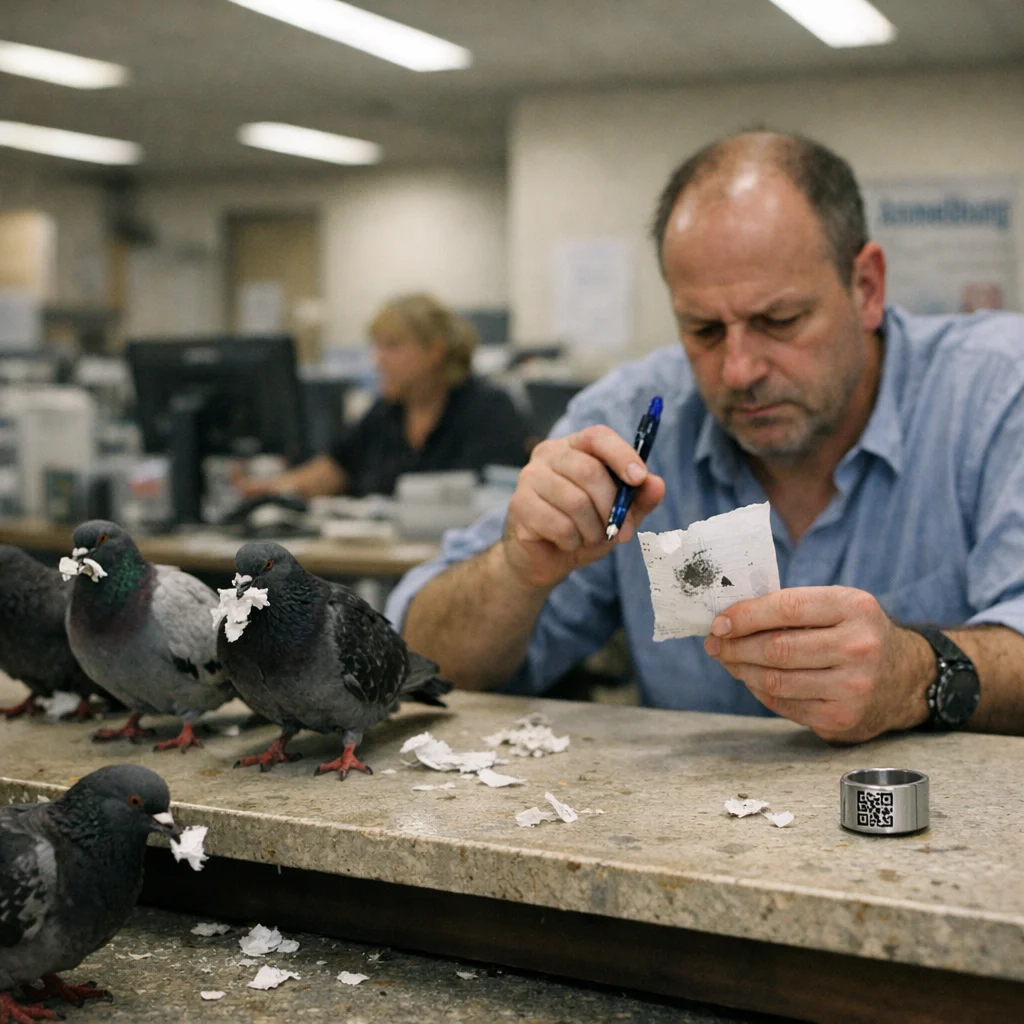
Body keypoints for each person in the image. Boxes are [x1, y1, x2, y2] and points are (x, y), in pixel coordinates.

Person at [385, 131, 1024, 744]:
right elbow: (422, 661)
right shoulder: (623, 418)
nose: (739, 370)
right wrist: (514, 570)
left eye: (779, 320)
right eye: (703, 330)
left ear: (866, 288)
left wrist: (916, 673)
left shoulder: (995, 395)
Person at [238, 293, 530, 500]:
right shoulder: (385, 411)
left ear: (435, 351)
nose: (378, 360)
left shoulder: (489, 409)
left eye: (393, 346)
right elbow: (335, 469)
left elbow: (494, 497)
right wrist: (268, 488)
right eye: (377, 346)